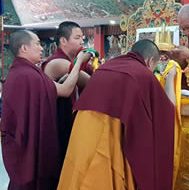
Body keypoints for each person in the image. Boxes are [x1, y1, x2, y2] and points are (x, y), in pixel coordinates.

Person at [57, 39, 175, 190]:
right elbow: (167, 113)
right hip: (108, 137)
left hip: (82, 135)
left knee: (78, 176)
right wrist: (170, 78)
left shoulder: (106, 67)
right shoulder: (142, 74)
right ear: (150, 61)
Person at [0, 30, 91, 190]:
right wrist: (79, 62)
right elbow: (66, 90)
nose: (42, 48)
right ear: (24, 48)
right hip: (28, 146)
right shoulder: (30, 75)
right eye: (37, 44)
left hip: (19, 143)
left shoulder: (19, 72)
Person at [41, 21, 92, 161]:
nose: (82, 40)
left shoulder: (72, 60)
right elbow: (91, 82)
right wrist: (82, 61)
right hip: (57, 123)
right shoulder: (57, 62)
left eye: (82, 37)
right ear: (63, 41)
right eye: (77, 38)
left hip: (69, 118)